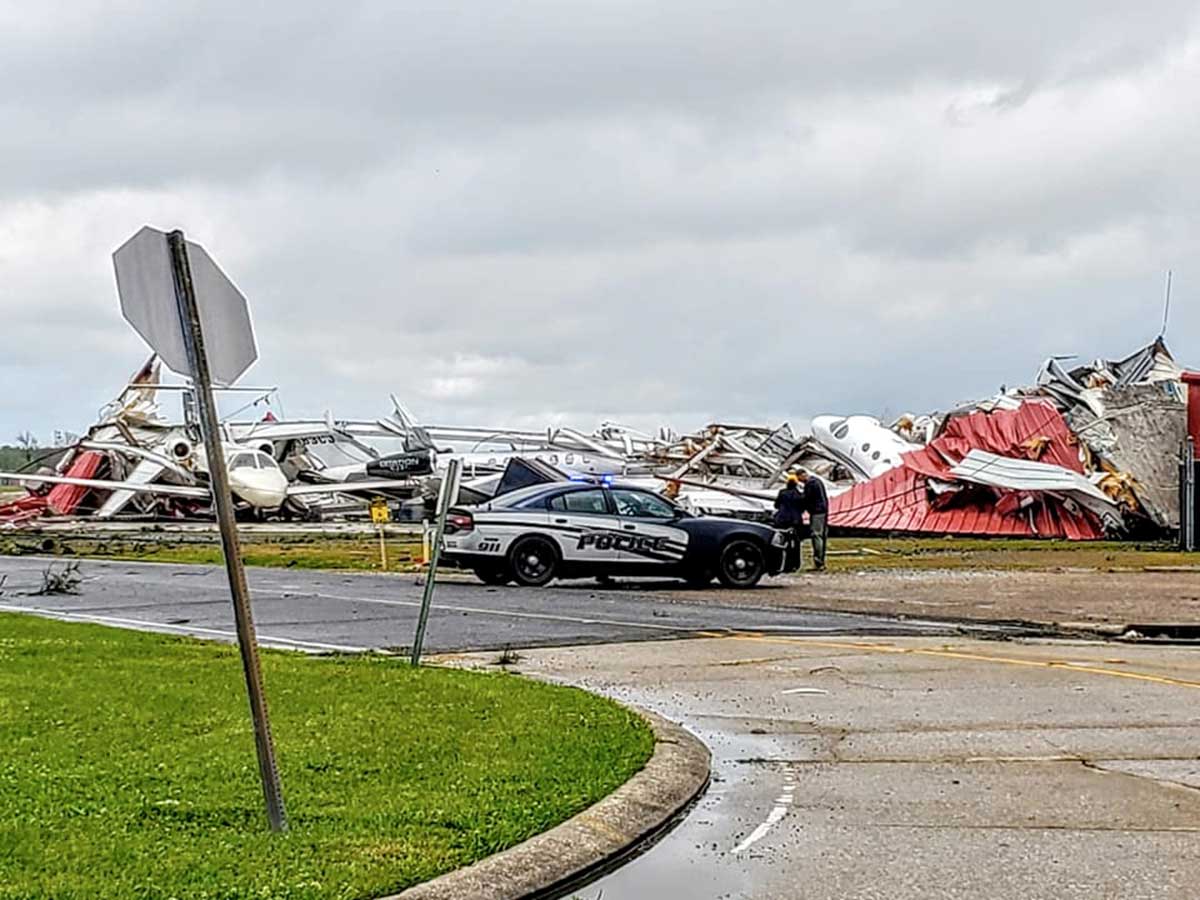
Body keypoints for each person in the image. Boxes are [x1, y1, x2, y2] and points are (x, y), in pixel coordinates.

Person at [773, 471, 807, 571]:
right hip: (795, 521)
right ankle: (795, 564)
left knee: (781, 542)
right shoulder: (799, 495)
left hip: (782, 520)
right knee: (796, 543)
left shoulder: (782, 493)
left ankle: (781, 564)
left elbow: (776, 505)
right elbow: (802, 508)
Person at [796, 469, 828, 571]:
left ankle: (818, 562)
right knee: (822, 535)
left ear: (802, 475)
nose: (800, 481)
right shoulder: (818, 481)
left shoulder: (810, 484)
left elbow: (807, 499)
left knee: (816, 535)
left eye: (799, 478)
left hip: (816, 512)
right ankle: (821, 561)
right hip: (823, 510)